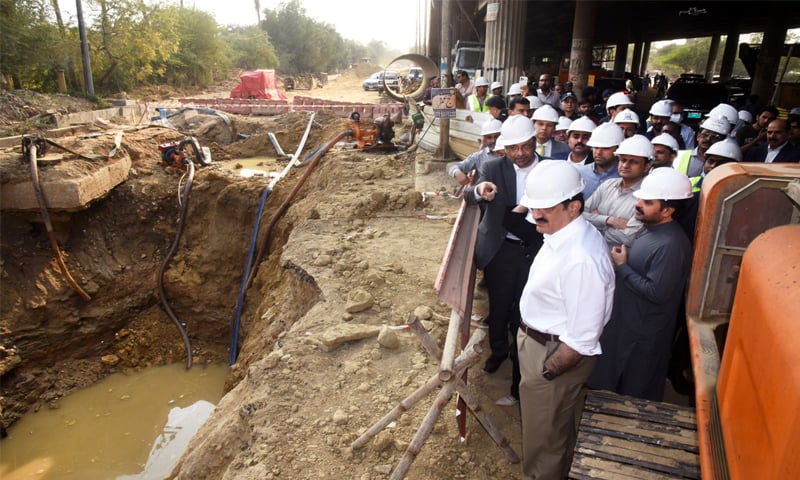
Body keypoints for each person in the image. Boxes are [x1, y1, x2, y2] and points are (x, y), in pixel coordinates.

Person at [515, 160, 615, 480]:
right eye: (534, 207)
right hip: (542, 345)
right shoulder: (562, 234)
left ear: (573, 207)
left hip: (553, 354)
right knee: (553, 426)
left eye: (545, 208)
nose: (536, 215)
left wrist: (547, 372)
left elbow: (583, 337)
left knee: (544, 439)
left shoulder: (581, 258)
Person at [588, 167, 693, 402]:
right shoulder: (651, 229)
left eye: (647, 202)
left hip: (641, 334)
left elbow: (657, 292)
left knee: (633, 391)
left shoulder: (671, 245)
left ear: (667, 210)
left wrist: (622, 267)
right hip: (626, 323)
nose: (638, 205)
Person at [465, 115, 544, 406]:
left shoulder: (549, 169)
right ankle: (498, 351)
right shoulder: (493, 167)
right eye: (513, 148)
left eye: (526, 146)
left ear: (535, 141)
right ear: (504, 148)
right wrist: (478, 191)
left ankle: (519, 357)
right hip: (501, 250)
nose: (520, 153)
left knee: (525, 310)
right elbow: (468, 195)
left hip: (535, 250)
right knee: (498, 305)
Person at [584, 134, 653, 248]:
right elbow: (580, 215)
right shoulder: (608, 185)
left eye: (633, 162)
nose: (625, 165)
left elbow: (629, 237)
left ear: (647, 166)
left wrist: (594, 223)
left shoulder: (647, 196)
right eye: (623, 160)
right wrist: (608, 220)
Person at [673, 116, 729, 190]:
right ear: (698, 136)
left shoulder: (726, 164)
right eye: (705, 135)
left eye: (715, 137)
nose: (708, 139)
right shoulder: (679, 156)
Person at [449, 119, 503, 185]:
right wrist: (457, 173)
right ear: (484, 139)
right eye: (489, 137)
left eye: (497, 136)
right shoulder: (479, 156)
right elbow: (453, 167)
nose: (493, 141)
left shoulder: (511, 155)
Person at [579, 122, 624, 198]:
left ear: (618, 149)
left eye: (605, 148)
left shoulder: (623, 176)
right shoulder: (581, 173)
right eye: (596, 147)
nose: (598, 152)